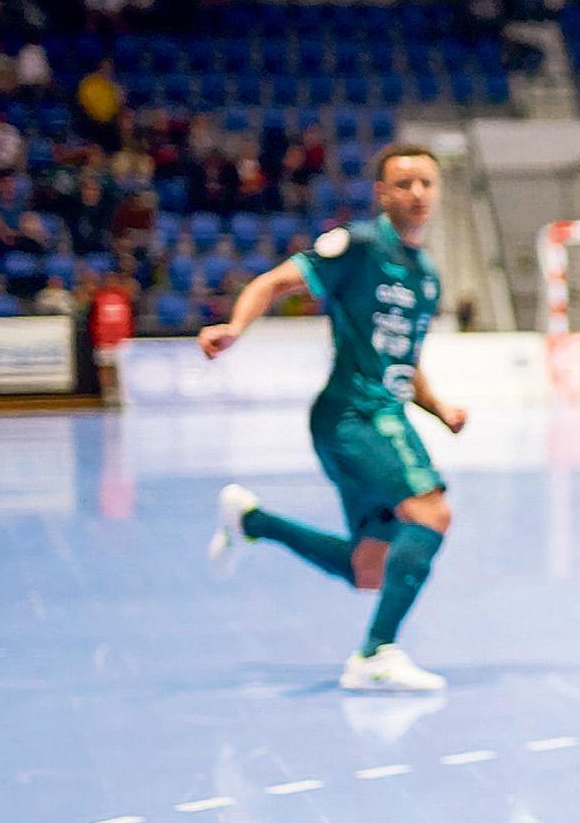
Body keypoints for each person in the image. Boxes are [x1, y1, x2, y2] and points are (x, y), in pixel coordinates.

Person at [198, 144, 465, 692]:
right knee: (432, 515)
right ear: (382, 194)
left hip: (380, 414)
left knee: (371, 570)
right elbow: (274, 282)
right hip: (355, 415)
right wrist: (235, 328)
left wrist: (440, 410)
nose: (416, 193)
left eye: (425, 184)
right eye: (404, 183)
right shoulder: (359, 246)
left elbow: (404, 363)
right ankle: (376, 654)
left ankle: (251, 521)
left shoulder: (427, 275)